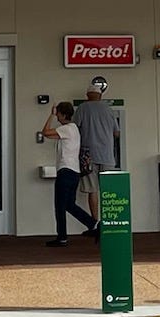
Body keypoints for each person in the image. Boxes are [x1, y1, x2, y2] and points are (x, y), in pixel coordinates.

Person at [39, 102, 96, 245]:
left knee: (60, 205)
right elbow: (51, 135)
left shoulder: (66, 129)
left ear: (64, 115)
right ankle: (93, 224)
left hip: (65, 171)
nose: (57, 117)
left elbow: (45, 132)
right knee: (69, 205)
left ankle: (62, 237)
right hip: (74, 172)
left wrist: (51, 115)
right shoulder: (74, 129)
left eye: (58, 114)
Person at [71, 86, 118, 226]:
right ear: (100, 96)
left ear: (87, 95)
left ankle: (95, 224)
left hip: (88, 156)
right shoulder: (109, 110)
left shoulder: (82, 108)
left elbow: (74, 129)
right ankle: (109, 222)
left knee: (93, 190)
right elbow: (116, 133)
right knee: (108, 191)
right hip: (107, 156)